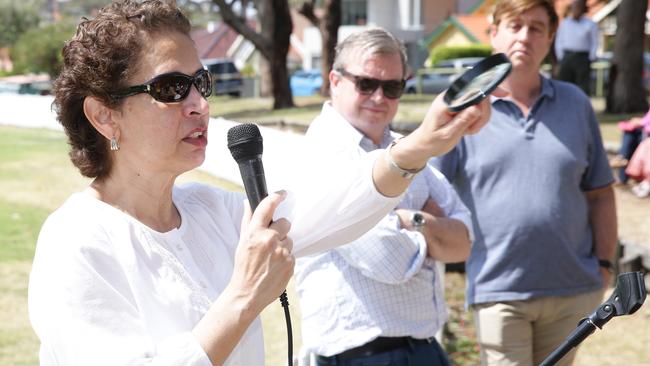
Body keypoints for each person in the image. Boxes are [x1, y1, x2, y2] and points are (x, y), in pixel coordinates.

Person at [26, 1, 493, 365]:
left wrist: (420, 145)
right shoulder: (77, 242)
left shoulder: (215, 210)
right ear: (104, 115)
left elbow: (333, 208)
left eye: (201, 83)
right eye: (171, 88)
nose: (200, 105)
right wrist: (245, 297)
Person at [431, 0, 617, 365]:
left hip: (571, 290)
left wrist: (605, 266)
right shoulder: (464, 112)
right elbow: (432, 193)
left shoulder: (575, 103)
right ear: (494, 33)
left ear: (550, 38)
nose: (524, 37)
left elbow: (600, 194)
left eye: (535, 28)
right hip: (497, 290)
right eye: (514, 26)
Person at [294, 28, 474, 366]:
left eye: (392, 87)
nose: (379, 97)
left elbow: (465, 241)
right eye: (366, 84)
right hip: (360, 357)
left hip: (424, 350)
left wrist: (409, 222)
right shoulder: (322, 154)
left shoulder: (406, 147)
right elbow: (389, 260)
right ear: (335, 80)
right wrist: (434, 230)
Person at [554, 0, 599, 95]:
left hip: (582, 57)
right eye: (574, 7)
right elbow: (559, 41)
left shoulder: (590, 24)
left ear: (583, 9)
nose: (576, 10)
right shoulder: (565, 23)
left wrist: (591, 57)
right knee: (565, 84)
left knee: (582, 86)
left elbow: (595, 42)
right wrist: (561, 58)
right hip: (567, 56)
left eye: (578, 7)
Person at [610, 109, 650, 184]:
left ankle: (621, 159)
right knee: (629, 133)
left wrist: (641, 122)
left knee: (631, 136)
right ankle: (622, 160)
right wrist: (640, 121)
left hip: (646, 132)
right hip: (645, 130)